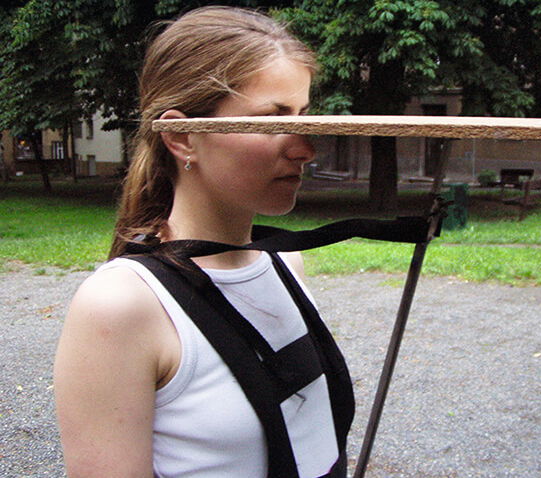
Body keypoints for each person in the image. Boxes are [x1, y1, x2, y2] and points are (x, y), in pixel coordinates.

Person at [54, 7, 353, 478]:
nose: (305, 148)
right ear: (182, 136)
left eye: (304, 117)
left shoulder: (285, 263)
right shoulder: (121, 305)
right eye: (273, 120)